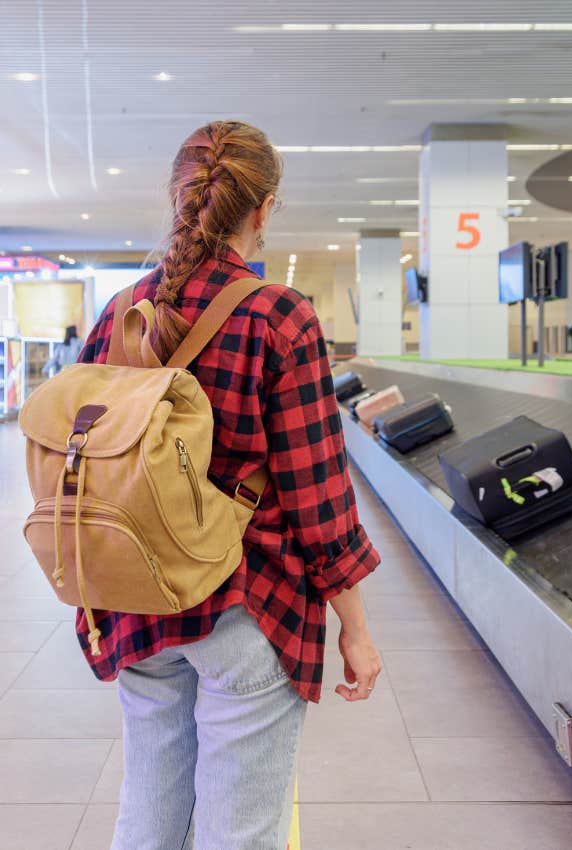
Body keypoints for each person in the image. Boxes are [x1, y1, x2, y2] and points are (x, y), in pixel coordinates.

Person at [77, 120, 382, 850]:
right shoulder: (280, 315)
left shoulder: (121, 311)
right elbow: (317, 494)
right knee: (240, 829)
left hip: (136, 598)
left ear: (180, 196)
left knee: (148, 809)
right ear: (264, 208)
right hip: (245, 603)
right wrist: (359, 630)